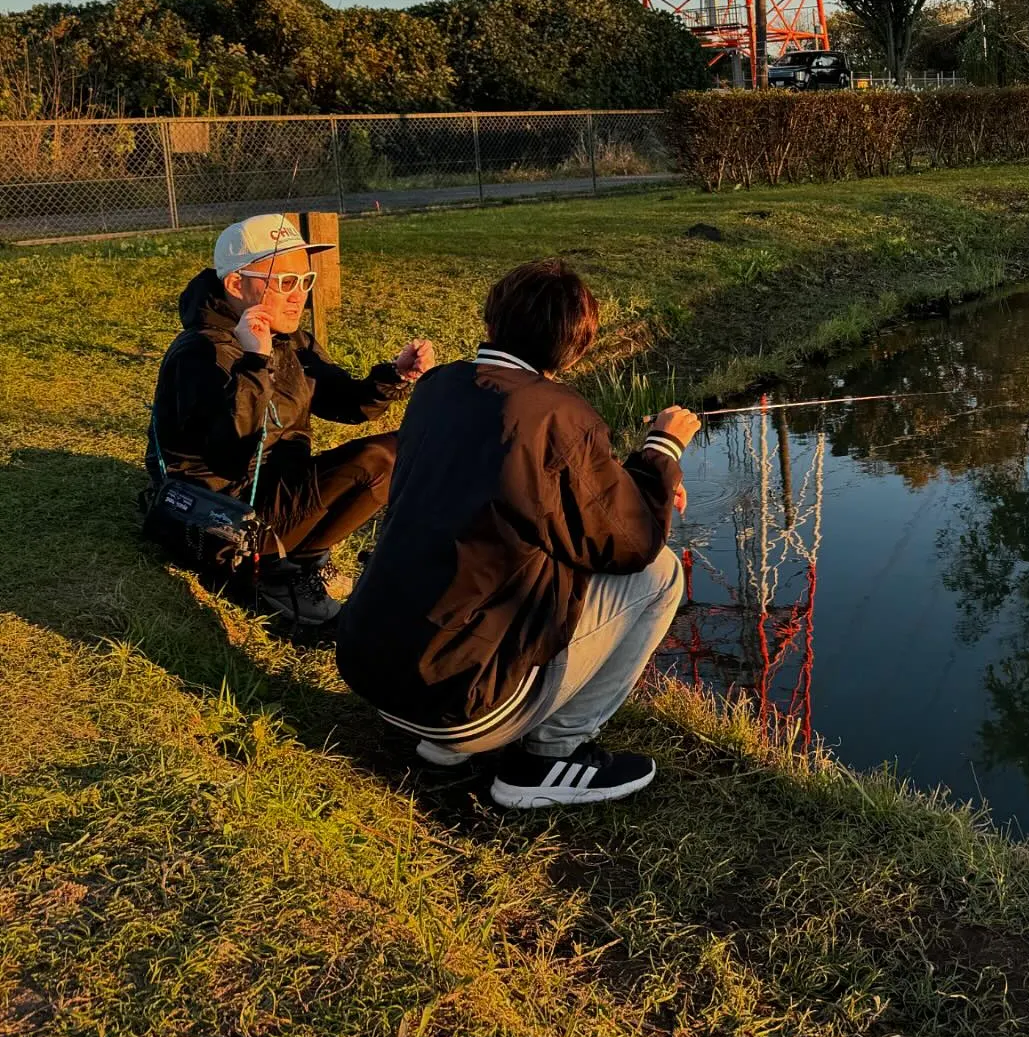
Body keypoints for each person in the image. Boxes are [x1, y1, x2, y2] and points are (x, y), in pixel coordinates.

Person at [336, 259, 700, 810]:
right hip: (466, 700)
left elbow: (517, 489)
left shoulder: (438, 387)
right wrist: (662, 452)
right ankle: (549, 757)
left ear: (491, 324)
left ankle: (444, 745)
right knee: (661, 573)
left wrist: (629, 481)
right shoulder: (559, 415)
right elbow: (631, 543)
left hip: (372, 670)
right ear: (575, 348)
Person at [146, 213, 434, 631]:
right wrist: (255, 362)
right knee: (379, 459)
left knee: (405, 446)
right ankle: (278, 577)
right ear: (235, 284)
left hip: (279, 489)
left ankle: (300, 559)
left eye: (304, 281)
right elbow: (230, 455)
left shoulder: (287, 337)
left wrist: (393, 376)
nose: (298, 294)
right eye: (283, 282)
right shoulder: (201, 354)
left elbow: (345, 403)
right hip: (228, 517)